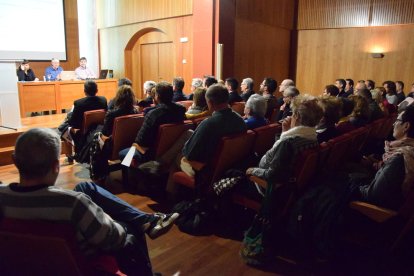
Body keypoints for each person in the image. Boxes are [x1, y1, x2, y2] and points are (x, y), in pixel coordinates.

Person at [0, 128, 179, 275]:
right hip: (85, 267)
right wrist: (107, 217)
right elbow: (114, 240)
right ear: (56, 165)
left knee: (85, 187)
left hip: (25, 264)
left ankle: (146, 221)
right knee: (130, 228)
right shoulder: (72, 204)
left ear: (14, 161)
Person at [356, 105, 414, 210]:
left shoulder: (400, 157)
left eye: (397, 120)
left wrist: (354, 185)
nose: (394, 123)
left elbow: (372, 195)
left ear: (406, 126)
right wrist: (377, 164)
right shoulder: (408, 151)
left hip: (375, 212)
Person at [119, 81, 186, 163]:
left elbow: (141, 141)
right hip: (172, 150)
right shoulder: (181, 110)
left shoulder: (153, 114)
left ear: (157, 96)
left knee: (123, 153)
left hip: (151, 154)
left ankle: (133, 173)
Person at [182, 84, 247, 168]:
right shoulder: (240, 120)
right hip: (230, 165)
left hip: (207, 169)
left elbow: (189, 154)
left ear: (210, 103)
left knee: (179, 157)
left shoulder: (208, 123)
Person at [90, 85, 139, 180]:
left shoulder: (112, 114)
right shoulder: (137, 113)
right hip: (130, 145)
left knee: (97, 137)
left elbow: (104, 134)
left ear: (118, 98)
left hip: (112, 148)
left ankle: (99, 173)